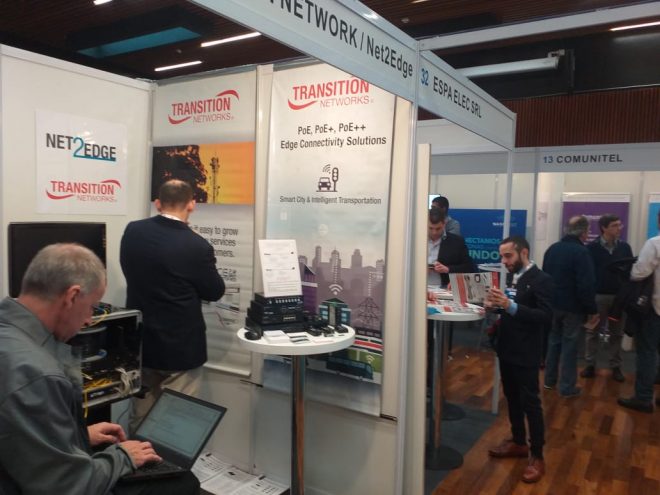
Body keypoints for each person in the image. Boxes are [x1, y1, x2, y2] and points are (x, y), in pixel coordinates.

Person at [0, 243, 199, 494]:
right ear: (72, 297)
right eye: (92, 307)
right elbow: (67, 487)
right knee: (183, 484)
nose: (88, 320)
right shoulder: (38, 374)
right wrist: (123, 457)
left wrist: (77, 435)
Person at [121, 179, 225, 433]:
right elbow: (214, 291)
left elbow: (129, 270)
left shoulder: (133, 231)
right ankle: (167, 460)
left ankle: (133, 457)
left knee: (140, 416)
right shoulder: (196, 246)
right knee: (176, 423)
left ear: (158, 203)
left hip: (142, 343)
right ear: (192, 205)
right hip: (181, 348)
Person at [485, 236, 553, 483]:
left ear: (523, 252)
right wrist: (495, 306)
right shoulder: (513, 277)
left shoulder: (542, 279)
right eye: (502, 256)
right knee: (512, 397)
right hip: (507, 348)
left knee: (530, 403)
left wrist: (510, 306)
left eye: (508, 256)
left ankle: (537, 456)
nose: (504, 261)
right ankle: (518, 441)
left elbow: (545, 316)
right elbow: (511, 308)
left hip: (526, 352)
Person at [542, 215, 598, 397]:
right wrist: (591, 309)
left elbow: (544, 277)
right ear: (584, 232)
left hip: (553, 305)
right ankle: (567, 387)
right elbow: (586, 285)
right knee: (570, 346)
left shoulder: (552, 249)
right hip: (573, 308)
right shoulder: (582, 253)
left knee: (553, 342)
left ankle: (549, 381)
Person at [617, 213, 660, 413]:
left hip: (654, 308)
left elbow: (639, 272)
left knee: (647, 352)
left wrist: (631, 268)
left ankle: (643, 397)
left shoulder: (654, 244)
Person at [583, 214, 633, 382]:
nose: (619, 228)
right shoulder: (591, 248)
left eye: (619, 225)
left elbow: (629, 271)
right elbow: (587, 274)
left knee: (616, 333)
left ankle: (616, 366)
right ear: (604, 228)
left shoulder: (625, 248)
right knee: (592, 331)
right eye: (614, 225)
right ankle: (590, 364)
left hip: (619, 297)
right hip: (598, 296)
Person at [427, 208, 474, 287]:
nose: (434, 232)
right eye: (430, 228)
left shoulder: (457, 241)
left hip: (445, 288)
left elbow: (468, 267)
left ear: (444, 224)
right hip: (417, 287)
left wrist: (448, 269)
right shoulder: (415, 241)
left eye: (438, 228)